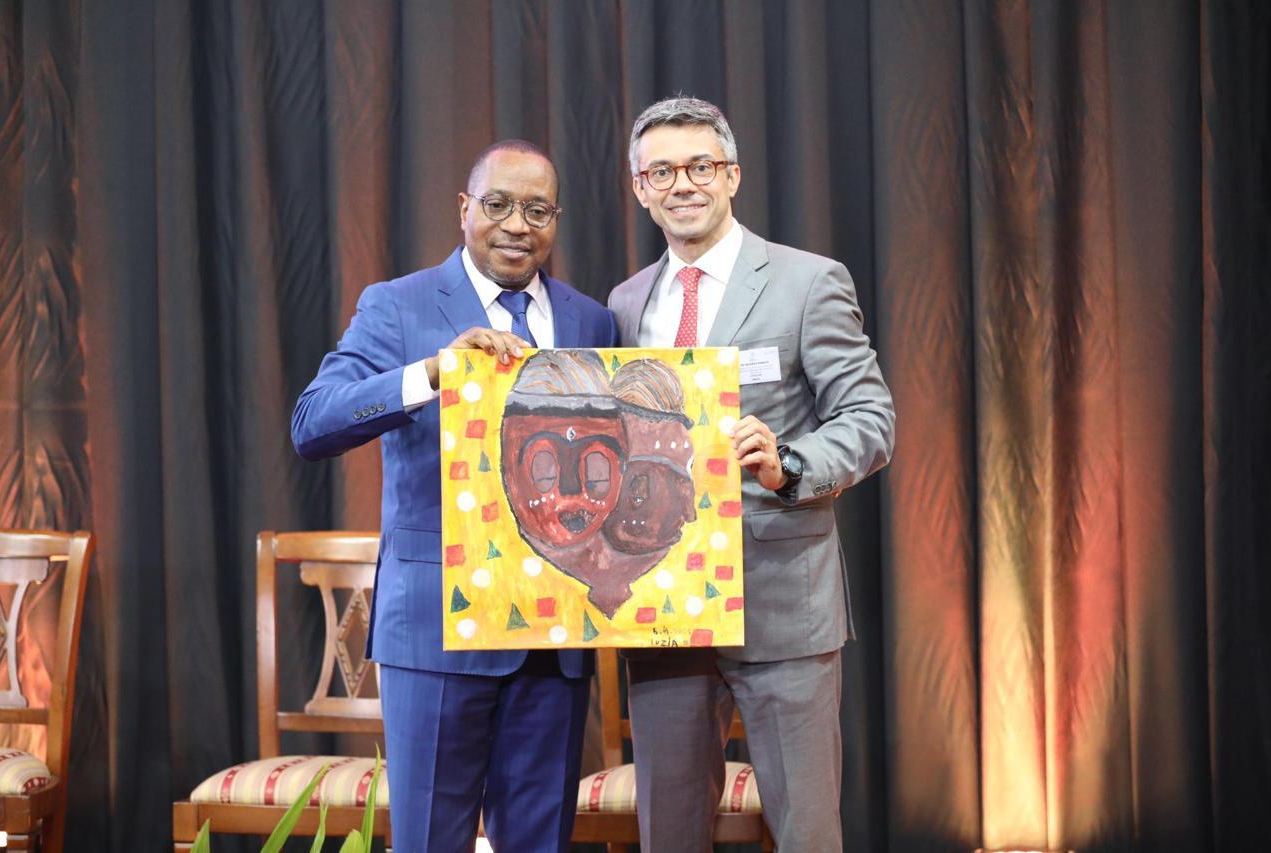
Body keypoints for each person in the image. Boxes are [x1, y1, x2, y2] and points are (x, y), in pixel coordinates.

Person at [292, 139, 618, 853]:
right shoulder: (398, 305)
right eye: (498, 204)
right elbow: (313, 423)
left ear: (556, 220)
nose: (516, 225)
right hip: (436, 630)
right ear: (464, 209)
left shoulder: (592, 321)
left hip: (553, 638)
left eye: (537, 210)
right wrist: (430, 374)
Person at [607, 97, 895, 852]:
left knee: (806, 833)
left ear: (732, 175)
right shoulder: (626, 302)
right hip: (666, 614)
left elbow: (871, 420)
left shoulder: (808, 282)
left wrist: (788, 463)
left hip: (782, 605)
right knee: (669, 835)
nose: (683, 184)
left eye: (700, 166)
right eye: (661, 171)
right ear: (640, 189)